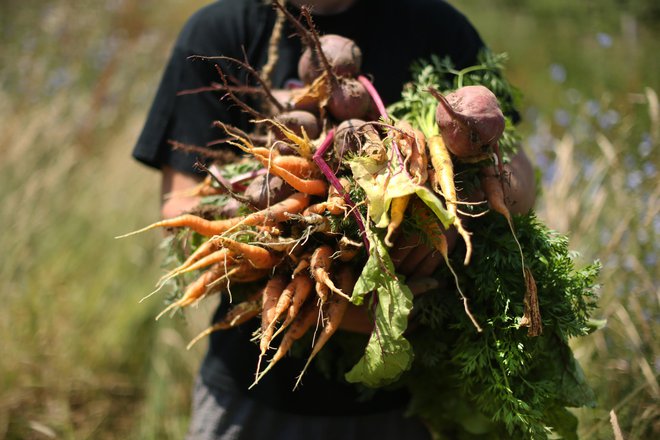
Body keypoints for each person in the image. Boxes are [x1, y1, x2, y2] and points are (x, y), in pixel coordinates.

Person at [132, 1, 536, 438]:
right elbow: (179, 210)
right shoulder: (220, 30)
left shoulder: (438, 27)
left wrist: (448, 209)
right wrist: (339, 307)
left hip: (401, 403)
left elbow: (521, 178)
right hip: (251, 389)